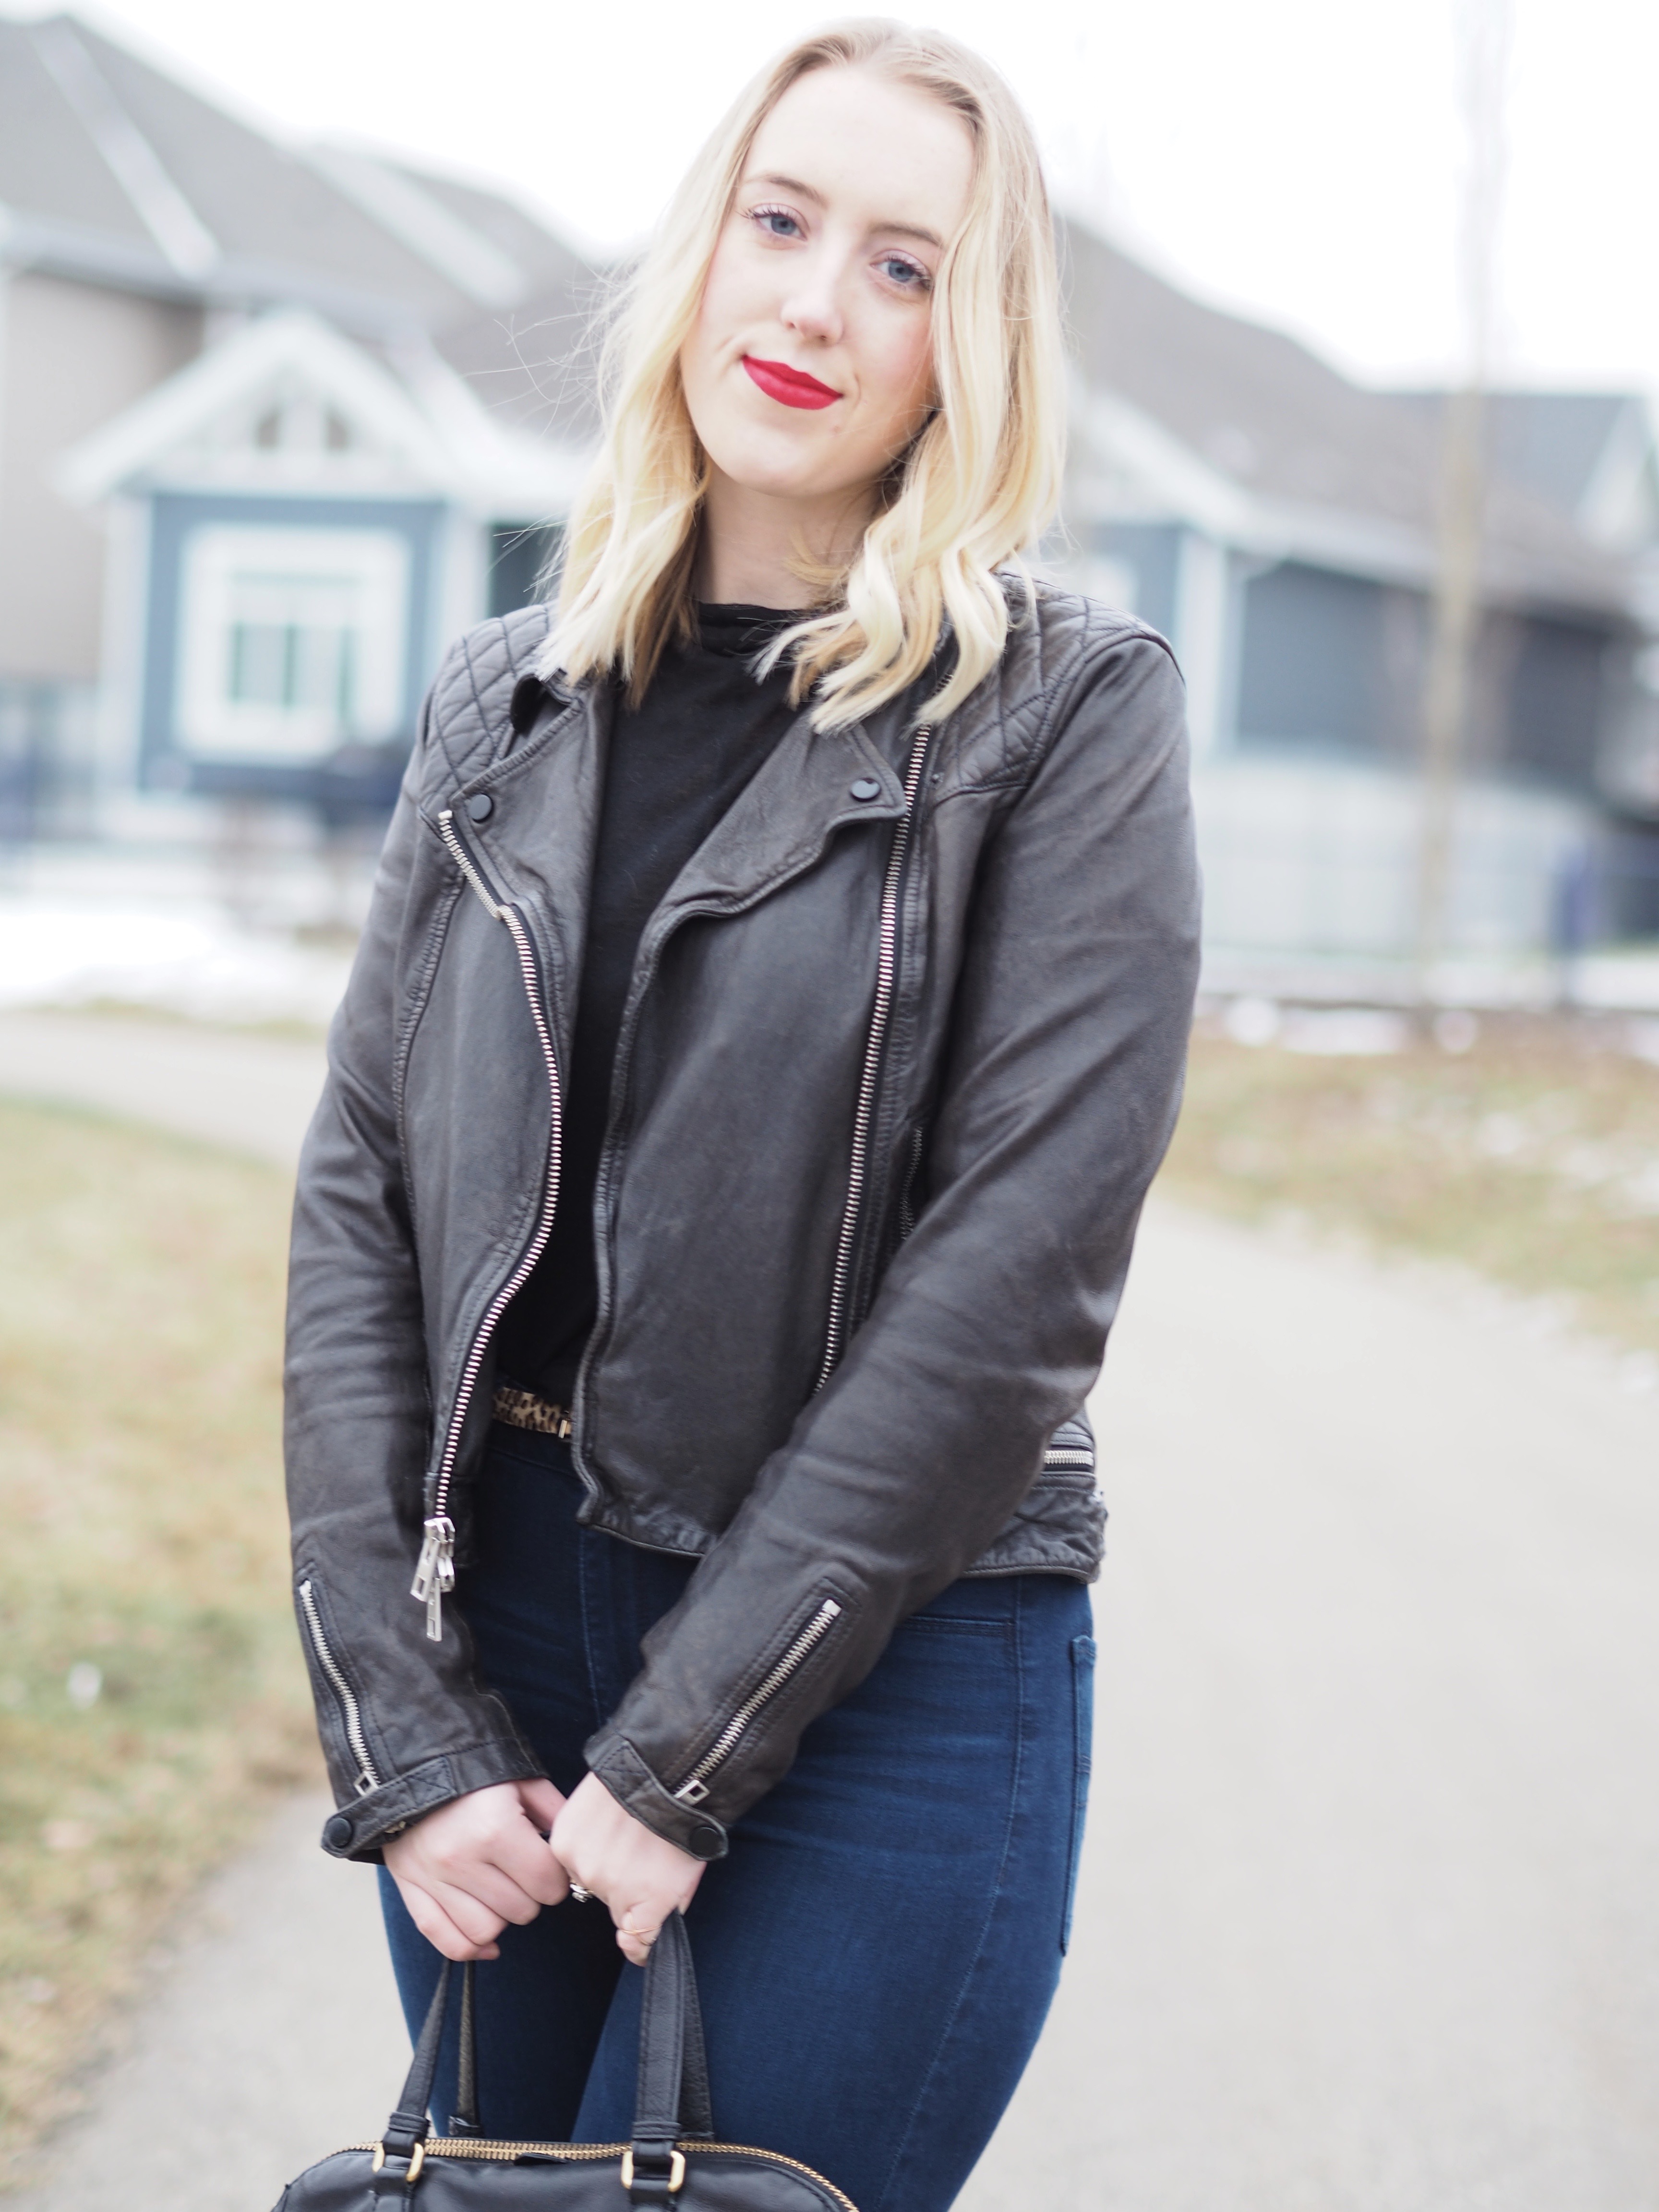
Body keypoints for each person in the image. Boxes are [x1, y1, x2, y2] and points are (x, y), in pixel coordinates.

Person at [284, 20, 1199, 2211]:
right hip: (503, 1650)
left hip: (895, 1663)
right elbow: (356, 1216)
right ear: (698, 256)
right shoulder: (500, 697)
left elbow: (1017, 1278)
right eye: (780, 226)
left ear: (971, 347)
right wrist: (401, 1738)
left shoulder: (1068, 719)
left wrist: (691, 1745)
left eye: (906, 265)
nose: (813, 302)